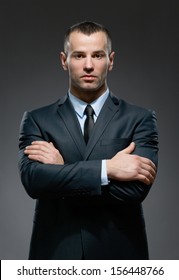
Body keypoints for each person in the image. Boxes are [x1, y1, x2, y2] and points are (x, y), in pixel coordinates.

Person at [18, 21, 159, 260]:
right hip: (55, 255)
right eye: (79, 55)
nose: (89, 65)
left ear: (111, 60)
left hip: (120, 257)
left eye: (98, 55)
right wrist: (108, 168)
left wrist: (61, 172)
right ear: (64, 60)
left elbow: (135, 191)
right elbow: (34, 182)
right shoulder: (37, 120)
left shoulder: (140, 119)